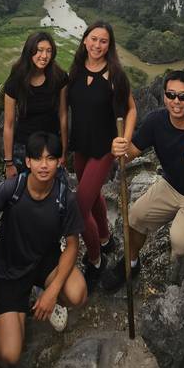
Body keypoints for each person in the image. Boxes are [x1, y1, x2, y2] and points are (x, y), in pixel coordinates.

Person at [0, 131, 87, 367]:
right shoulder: (13, 188)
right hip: (11, 271)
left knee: (77, 293)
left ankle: (46, 296)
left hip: (45, 262)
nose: (44, 165)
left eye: (50, 158)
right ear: (27, 161)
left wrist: (52, 291)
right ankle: (13, 312)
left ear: (59, 162)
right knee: (9, 356)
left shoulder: (64, 197)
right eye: (37, 158)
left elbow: (72, 244)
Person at [103, 69, 184, 290]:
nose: (176, 101)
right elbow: (131, 152)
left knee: (180, 243)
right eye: (171, 95)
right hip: (170, 185)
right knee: (135, 217)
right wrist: (119, 148)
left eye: (183, 96)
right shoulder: (156, 121)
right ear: (164, 96)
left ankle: (180, 283)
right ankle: (131, 263)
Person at [67, 20, 136, 291]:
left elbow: (131, 109)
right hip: (80, 147)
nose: (97, 45)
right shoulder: (75, 70)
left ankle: (95, 260)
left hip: (103, 149)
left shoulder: (115, 75)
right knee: (92, 195)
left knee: (78, 208)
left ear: (109, 45)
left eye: (103, 41)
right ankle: (106, 239)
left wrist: (124, 140)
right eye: (93, 39)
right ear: (85, 40)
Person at [2, 32, 68, 178]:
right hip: (24, 148)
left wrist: (64, 151)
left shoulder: (59, 77)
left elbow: (63, 115)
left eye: (49, 51)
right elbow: (9, 124)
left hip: (51, 147)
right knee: (22, 189)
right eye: (39, 50)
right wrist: (9, 163)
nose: (44, 56)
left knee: (57, 189)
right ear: (29, 51)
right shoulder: (16, 81)